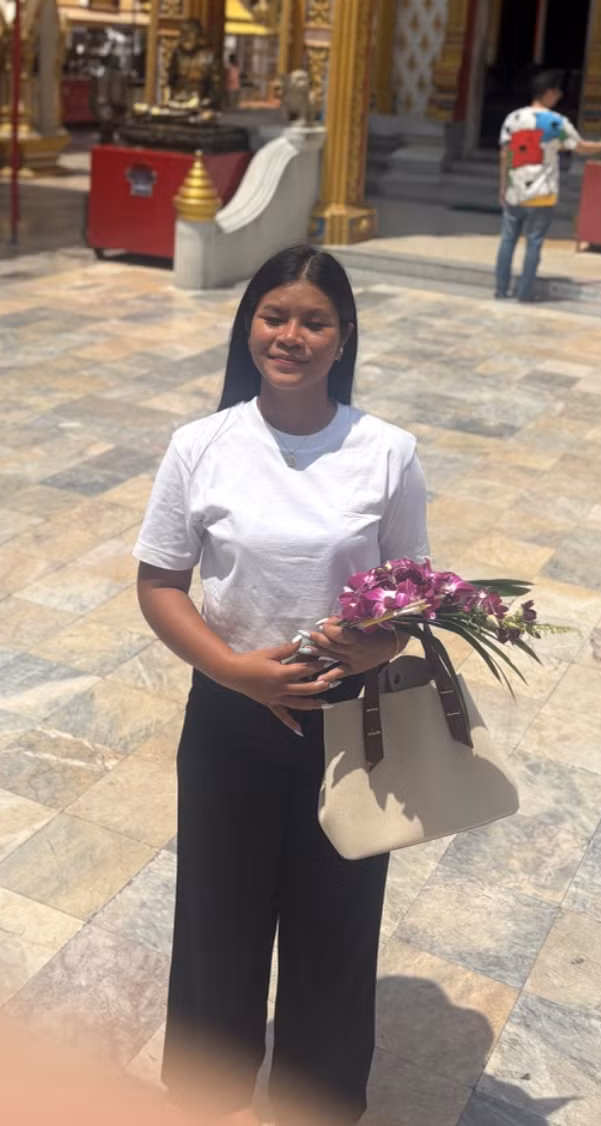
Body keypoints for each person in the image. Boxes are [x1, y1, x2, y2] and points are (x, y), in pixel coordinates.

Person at [134, 245, 430, 1126]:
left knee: (337, 920)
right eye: (273, 316)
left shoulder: (387, 452)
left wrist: (373, 648)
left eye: (313, 321)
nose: (290, 336)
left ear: (343, 336)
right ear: (248, 325)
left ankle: (317, 1100)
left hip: (347, 721)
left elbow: (410, 597)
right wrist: (233, 671)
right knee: (217, 915)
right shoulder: (202, 446)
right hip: (230, 714)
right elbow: (160, 583)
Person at [495, 68, 601, 302]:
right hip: (542, 193)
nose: (559, 97)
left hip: (515, 189)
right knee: (534, 243)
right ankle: (525, 292)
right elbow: (580, 147)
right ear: (549, 93)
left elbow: (505, 154)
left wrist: (503, 185)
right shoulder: (556, 123)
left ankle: (501, 289)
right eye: (557, 92)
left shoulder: (513, 118)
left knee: (508, 240)